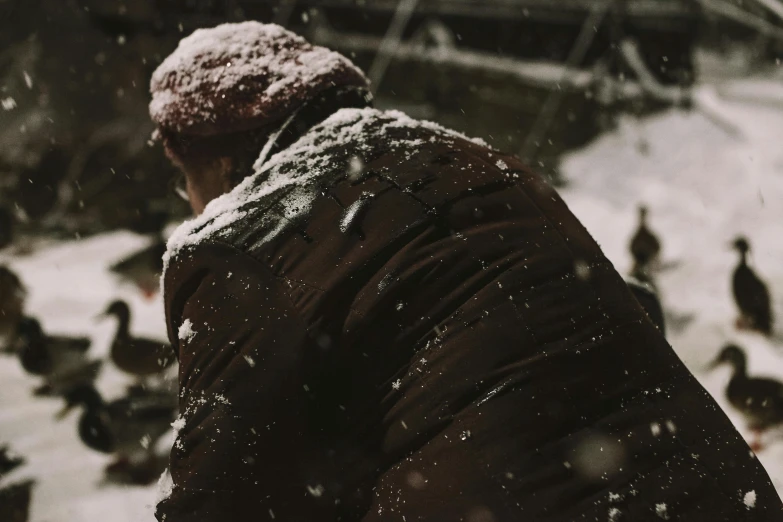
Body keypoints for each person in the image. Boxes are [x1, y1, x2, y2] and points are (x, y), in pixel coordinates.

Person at [150, 22, 783, 522]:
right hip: (714, 496)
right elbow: (617, 311)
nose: (188, 201)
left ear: (222, 163)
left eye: (184, 176)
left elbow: (221, 493)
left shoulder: (247, 236)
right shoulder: (482, 163)